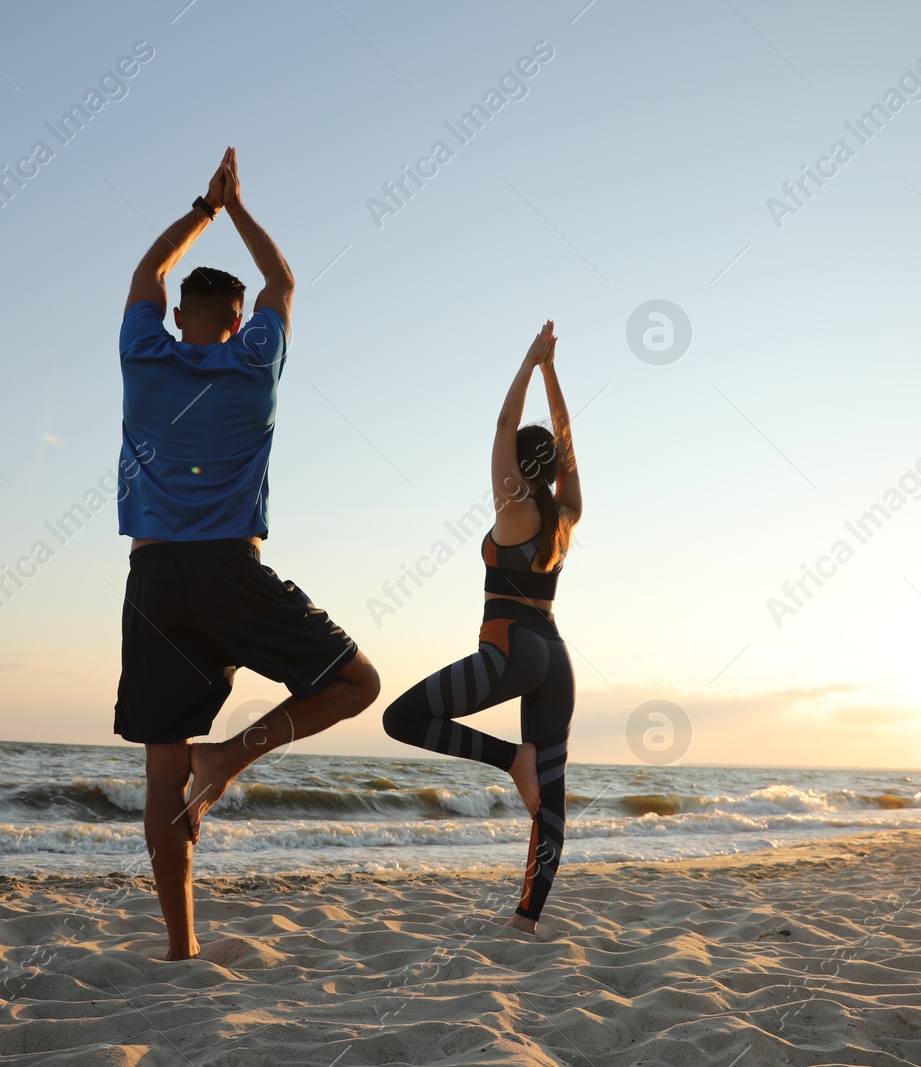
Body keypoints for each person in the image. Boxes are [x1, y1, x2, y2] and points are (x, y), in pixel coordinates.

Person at [113, 148, 380, 960]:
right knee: (356, 681)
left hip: (155, 579)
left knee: (162, 777)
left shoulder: (142, 354)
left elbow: (146, 271)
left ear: (176, 313)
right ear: (235, 319)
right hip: (230, 568)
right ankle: (230, 754)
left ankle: (181, 945)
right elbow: (283, 282)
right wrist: (240, 209)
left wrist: (202, 209)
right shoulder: (253, 358)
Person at [382, 320, 581, 933]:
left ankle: (507, 759)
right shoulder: (565, 516)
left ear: (518, 469)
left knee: (401, 719)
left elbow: (502, 428)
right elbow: (568, 446)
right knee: (551, 798)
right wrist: (553, 374)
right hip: (556, 656)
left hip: (510, 649)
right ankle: (527, 918)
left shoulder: (514, 509)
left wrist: (528, 363)